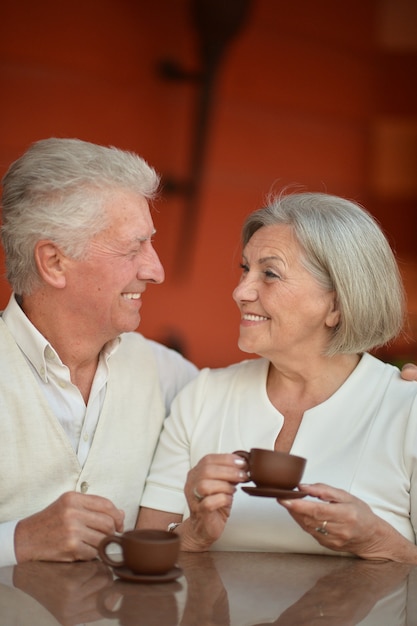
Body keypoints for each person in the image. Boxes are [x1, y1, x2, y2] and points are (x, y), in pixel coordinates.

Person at [138, 191, 417, 563]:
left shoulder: (408, 409)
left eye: (269, 273)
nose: (240, 292)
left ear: (335, 304)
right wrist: (193, 533)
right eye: (244, 269)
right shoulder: (203, 395)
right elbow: (145, 548)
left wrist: (378, 543)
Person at [0, 137, 198, 567]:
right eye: (133, 248)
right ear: (53, 262)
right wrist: (17, 541)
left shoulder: (172, 378)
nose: (155, 270)